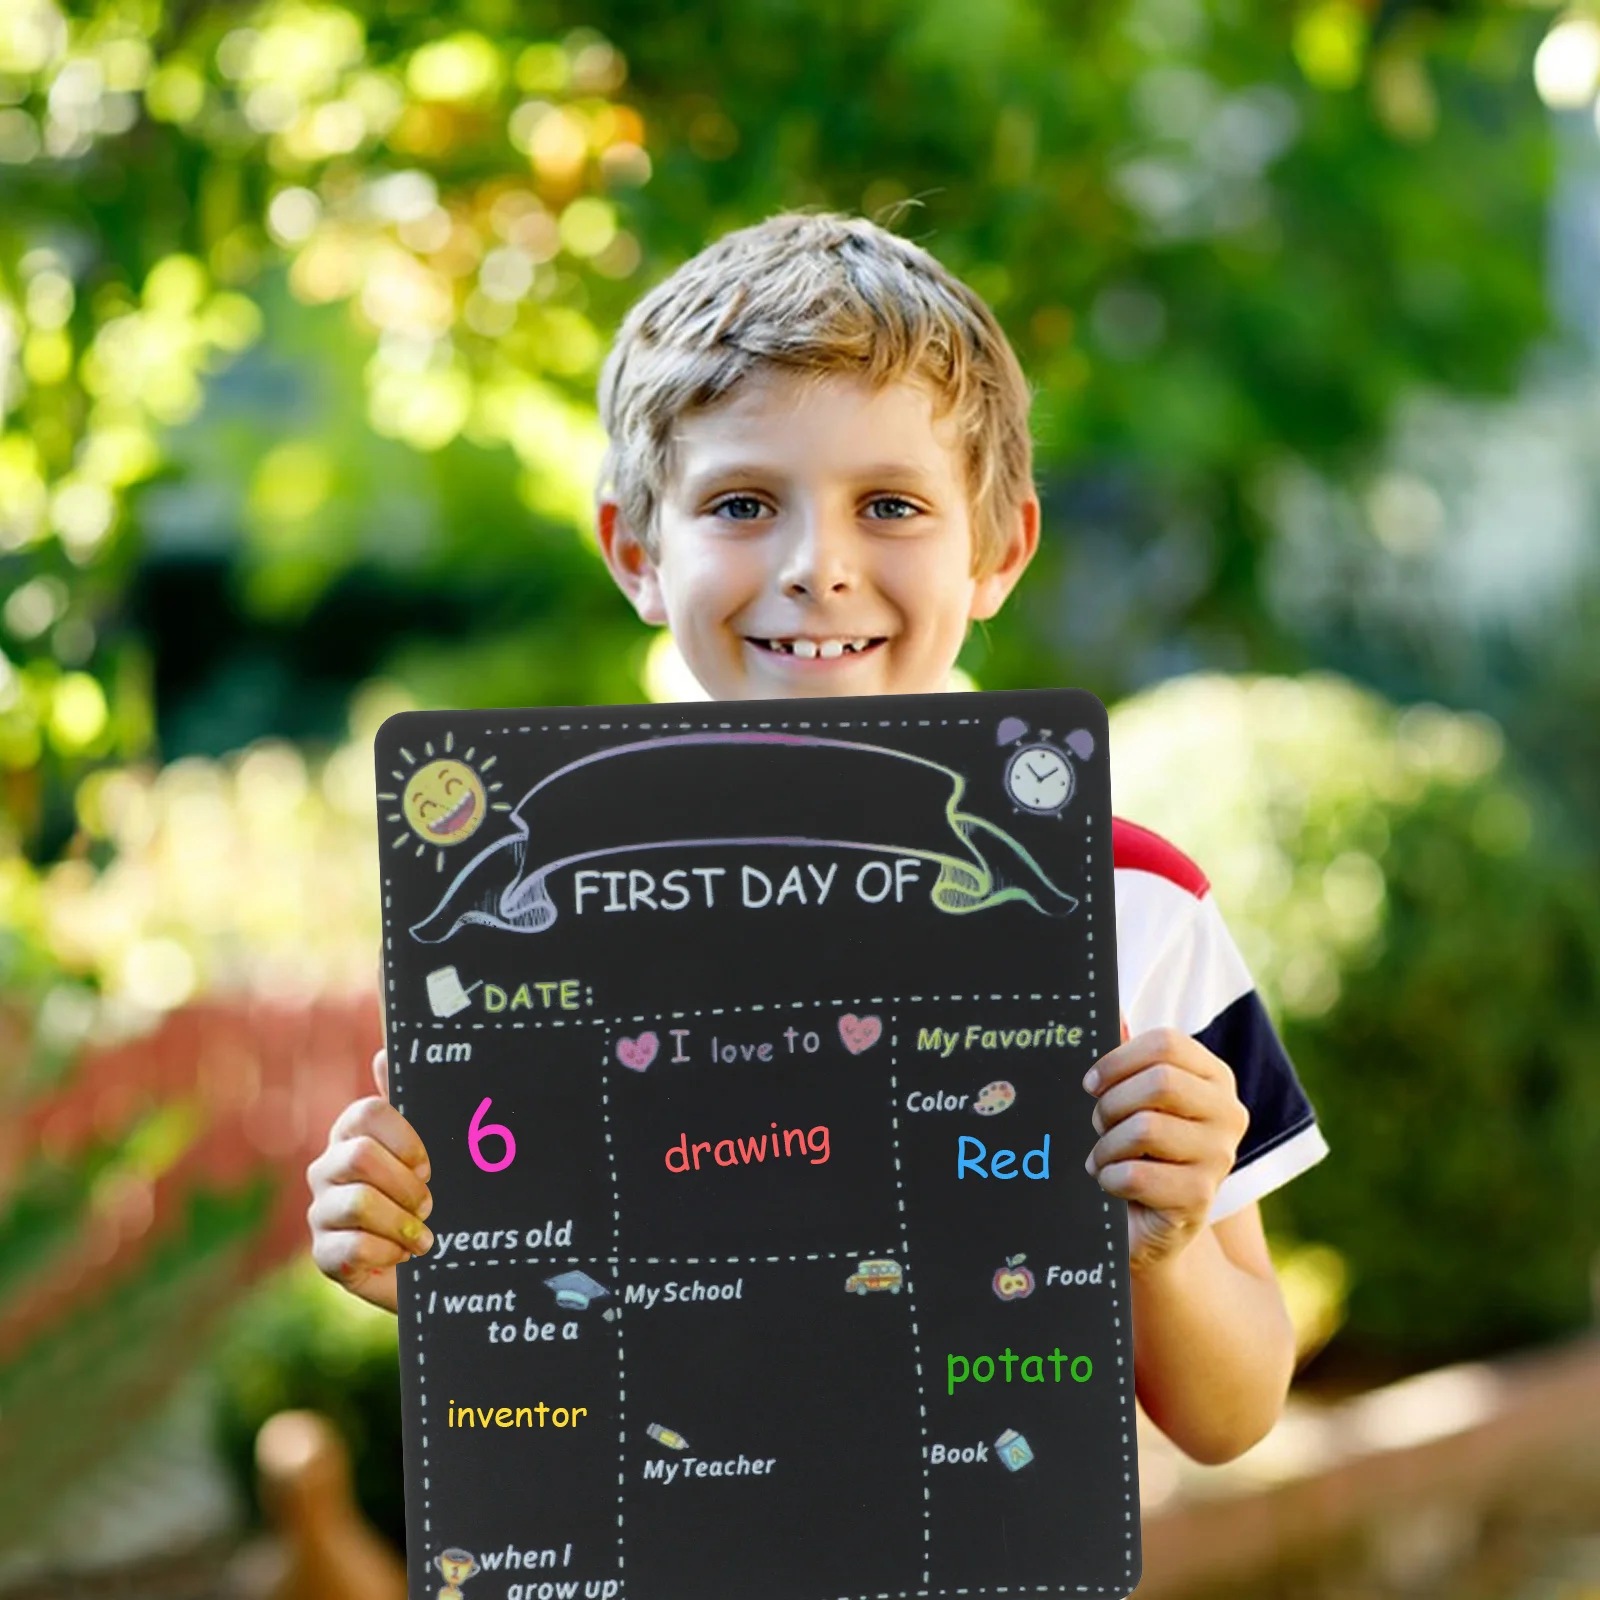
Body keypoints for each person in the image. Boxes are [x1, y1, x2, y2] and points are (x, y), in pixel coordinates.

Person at [306, 210, 1329, 1466]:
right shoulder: (517, 918)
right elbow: (543, 1393)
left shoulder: (1133, 905)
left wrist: (1160, 1244)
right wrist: (421, 1264)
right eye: (741, 502)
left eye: (890, 504)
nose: (815, 566)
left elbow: (1230, 1414)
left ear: (998, 547)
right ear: (635, 547)